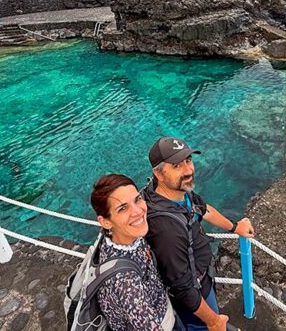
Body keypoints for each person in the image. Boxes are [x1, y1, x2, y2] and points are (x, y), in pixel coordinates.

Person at [142, 137, 255, 331]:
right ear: (158, 173)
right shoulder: (166, 229)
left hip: (202, 277)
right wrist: (213, 321)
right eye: (177, 165)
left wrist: (235, 227)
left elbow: (203, 209)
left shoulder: (178, 192)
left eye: (188, 160)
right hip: (194, 295)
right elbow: (182, 288)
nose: (188, 171)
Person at [90, 174, 177, 331]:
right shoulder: (125, 282)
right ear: (105, 222)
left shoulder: (121, 236)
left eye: (137, 199)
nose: (138, 211)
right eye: (123, 208)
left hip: (161, 306)